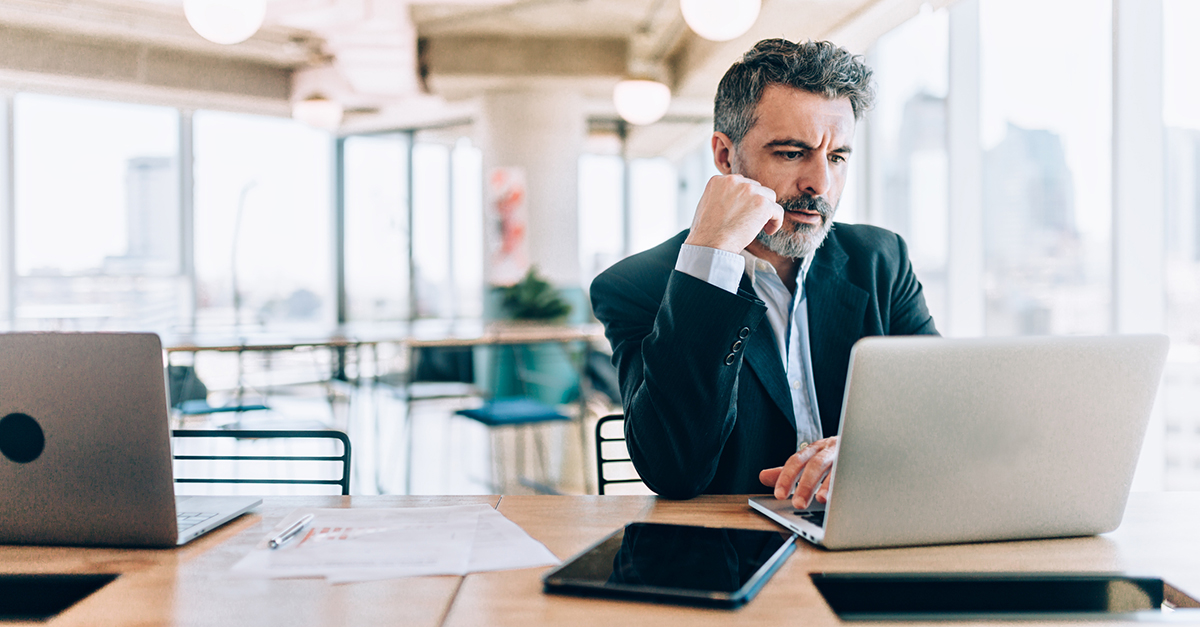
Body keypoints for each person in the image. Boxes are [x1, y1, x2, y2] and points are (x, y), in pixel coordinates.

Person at [590, 39, 938, 508]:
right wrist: (709, 258)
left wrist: (861, 455)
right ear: (724, 156)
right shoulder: (636, 287)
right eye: (793, 153)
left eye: (837, 157)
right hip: (731, 555)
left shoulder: (881, 260)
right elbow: (674, 469)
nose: (821, 184)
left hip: (867, 534)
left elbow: (940, 412)